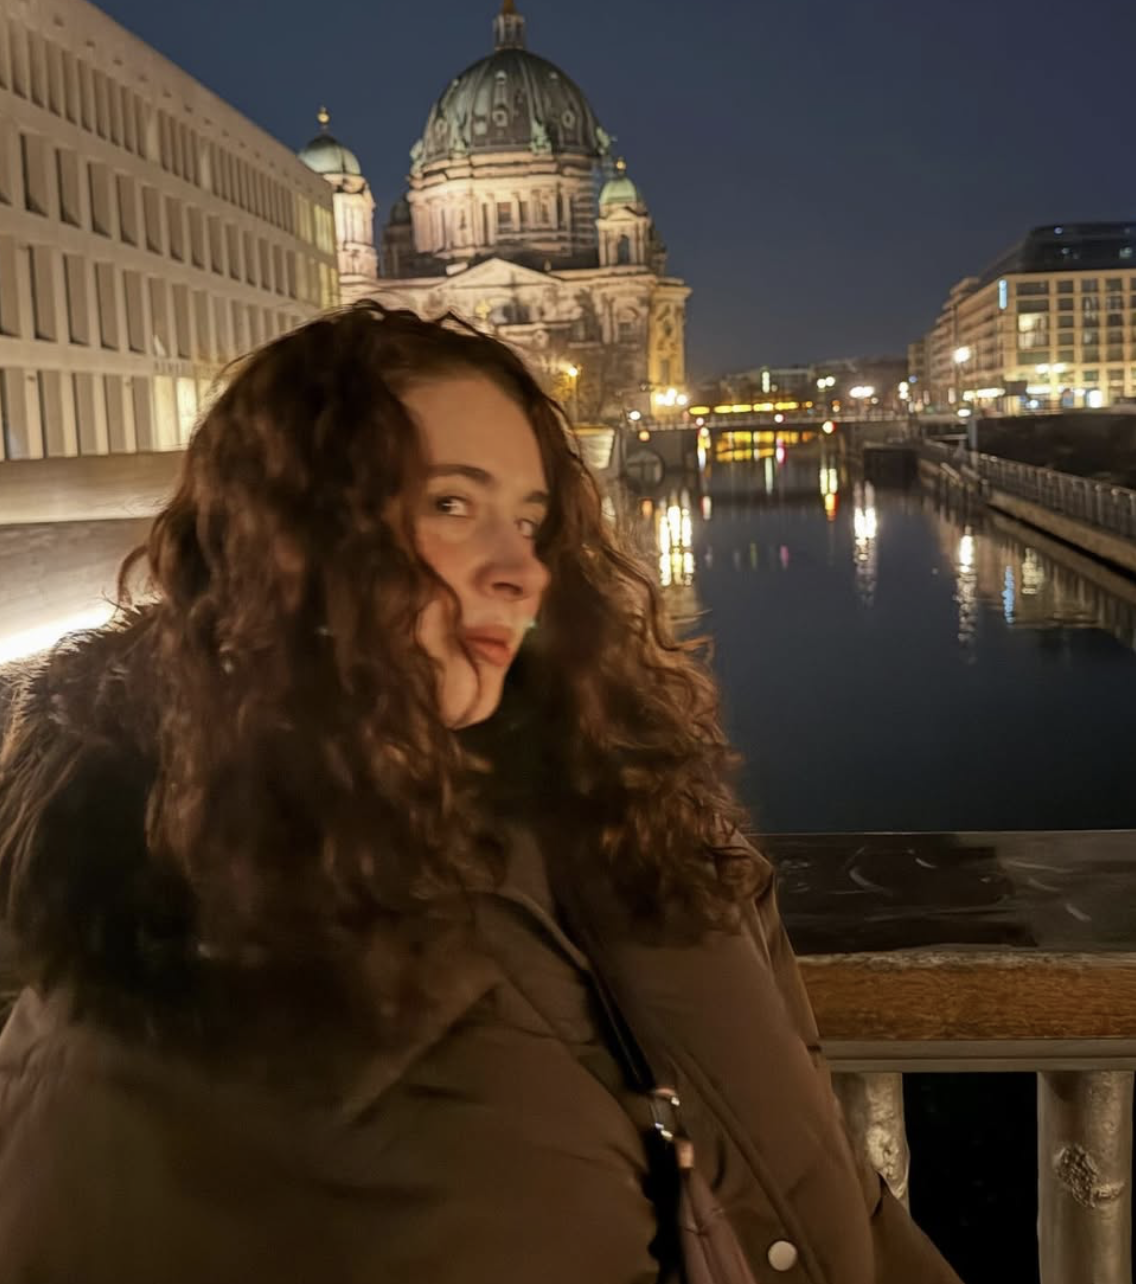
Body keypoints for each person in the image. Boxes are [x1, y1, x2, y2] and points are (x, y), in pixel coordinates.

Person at [0, 304, 960, 1283]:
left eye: (529, 521)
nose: (519, 572)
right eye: (451, 505)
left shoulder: (631, 814)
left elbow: (819, 1186)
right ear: (279, 536)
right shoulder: (170, 962)